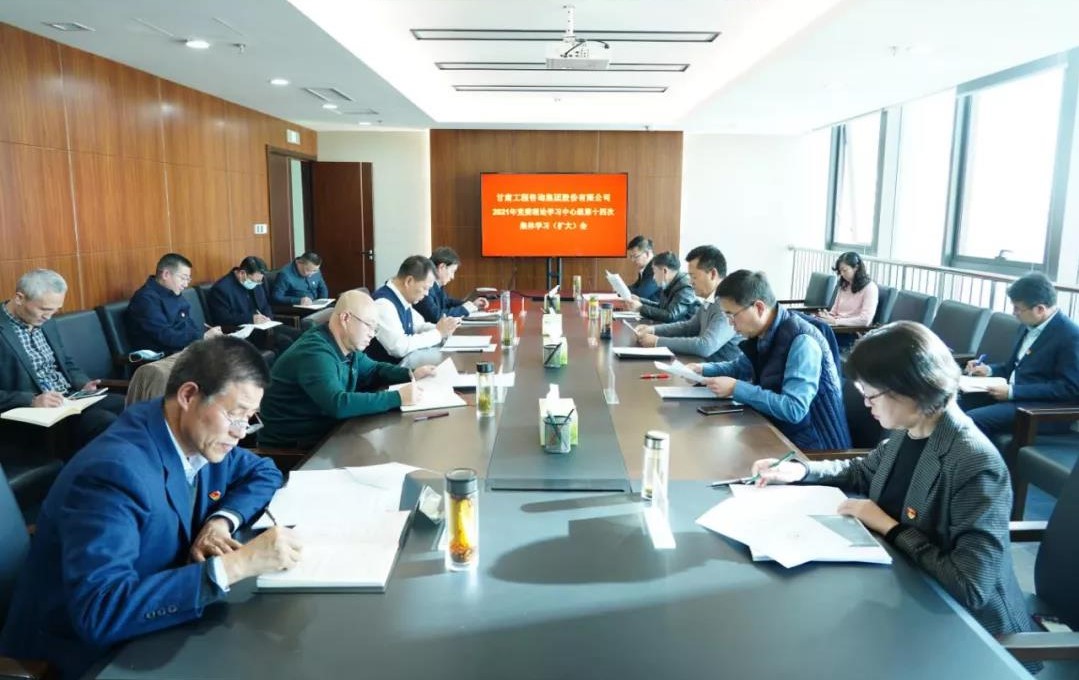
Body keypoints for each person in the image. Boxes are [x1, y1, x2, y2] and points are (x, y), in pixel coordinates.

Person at [0, 337, 301, 679]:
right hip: (81, 655)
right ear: (188, 396)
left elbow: (263, 472)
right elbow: (101, 613)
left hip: (158, 617)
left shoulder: (194, 434)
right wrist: (238, 564)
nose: (240, 433)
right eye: (235, 414)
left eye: (248, 417)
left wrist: (221, 520)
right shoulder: (113, 472)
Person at [748, 321, 1039, 672]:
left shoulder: (974, 463)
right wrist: (800, 471)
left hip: (969, 631)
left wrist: (890, 527)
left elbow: (970, 586)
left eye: (871, 395)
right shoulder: (911, 429)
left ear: (910, 390)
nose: (866, 404)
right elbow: (863, 470)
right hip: (904, 589)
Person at [692, 269, 850, 451]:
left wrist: (736, 388)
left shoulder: (802, 341)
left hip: (813, 449)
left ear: (759, 308)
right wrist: (702, 369)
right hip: (779, 432)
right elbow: (739, 367)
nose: (730, 323)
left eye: (731, 315)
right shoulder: (763, 332)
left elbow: (794, 409)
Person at [259, 290, 436, 449]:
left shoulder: (347, 346)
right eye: (369, 325)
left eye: (375, 328)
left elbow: (374, 369)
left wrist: (410, 373)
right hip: (294, 449)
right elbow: (338, 404)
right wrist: (398, 397)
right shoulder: (315, 353)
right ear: (345, 319)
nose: (372, 334)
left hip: (327, 433)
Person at [0, 269, 124, 449]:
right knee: (104, 422)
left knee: (131, 405)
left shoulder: (46, 321)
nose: (49, 316)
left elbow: (65, 362)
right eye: (44, 309)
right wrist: (31, 400)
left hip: (70, 398)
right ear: (20, 298)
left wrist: (83, 383)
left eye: (55, 310)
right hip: (34, 414)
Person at [962, 271, 1079, 437]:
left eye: (1018, 308)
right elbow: (1014, 368)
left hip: (1039, 409)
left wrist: (1013, 392)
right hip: (1012, 397)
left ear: (1040, 309)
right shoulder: (1027, 325)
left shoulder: (1070, 336)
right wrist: (988, 370)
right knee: (949, 404)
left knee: (971, 420)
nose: (1014, 313)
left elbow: (1068, 388)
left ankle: (977, 456)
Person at [634, 246, 742, 362]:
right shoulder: (710, 300)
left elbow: (705, 346)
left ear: (712, 274)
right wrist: (653, 329)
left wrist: (658, 341)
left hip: (716, 369)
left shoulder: (727, 305)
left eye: (694, 276)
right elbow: (689, 327)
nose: (690, 281)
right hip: (700, 364)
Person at [366, 256, 461, 367]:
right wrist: (438, 333)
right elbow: (399, 347)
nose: (426, 294)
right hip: (386, 373)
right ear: (409, 281)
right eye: (425, 288)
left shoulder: (402, 298)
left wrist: (443, 329)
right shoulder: (383, 304)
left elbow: (418, 326)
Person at [126, 253, 222, 355]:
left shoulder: (173, 291)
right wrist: (201, 337)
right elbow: (165, 336)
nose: (186, 284)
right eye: (183, 278)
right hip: (163, 356)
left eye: (188, 279)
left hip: (185, 349)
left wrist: (205, 334)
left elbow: (187, 324)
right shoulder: (145, 299)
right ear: (166, 274)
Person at [208, 256, 300, 353]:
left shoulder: (257, 282)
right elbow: (222, 318)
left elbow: (265, 304)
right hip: (244, 332)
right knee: (286, 342)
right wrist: (251, 319)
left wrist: (268, 317)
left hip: (265, 327)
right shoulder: (222, 289)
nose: (258, 284)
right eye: (256, 281)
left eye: (260, 281)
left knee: (299, 335)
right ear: (242, 273)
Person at [415, 246, 489, 323]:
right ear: (442, 267)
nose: (452, 277)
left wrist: (472, 304)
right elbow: (436, 316)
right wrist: (465, 309)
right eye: (452, 271)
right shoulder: (425, 287)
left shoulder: (437, 285)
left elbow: (448, 302)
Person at [623, 250, 699, 324]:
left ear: (664, 271)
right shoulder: (668, 283)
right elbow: (661, 307)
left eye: (655, 272)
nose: (653, 277)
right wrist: (640, 300)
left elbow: (671, 315)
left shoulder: (685, 287)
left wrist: (641, 308)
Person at [819, 251, 878, 327]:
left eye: (844, 270)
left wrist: (835, 321)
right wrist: (826, 316)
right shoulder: (844, 284)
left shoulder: (870, 288)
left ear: (856, 268)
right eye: (840, 271)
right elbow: (834, 312)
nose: (842, 274)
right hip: (837, 326)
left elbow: (865, 320)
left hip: (850, 330)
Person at [626, 235, 660, 301]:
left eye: (635, 256)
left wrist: (623, 290)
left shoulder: (657, 267)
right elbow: (636, 286)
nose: (633, 260)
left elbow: (641, 294)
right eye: (631, 257)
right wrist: (621, 288)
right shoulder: (646, 267)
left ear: (647, 254)